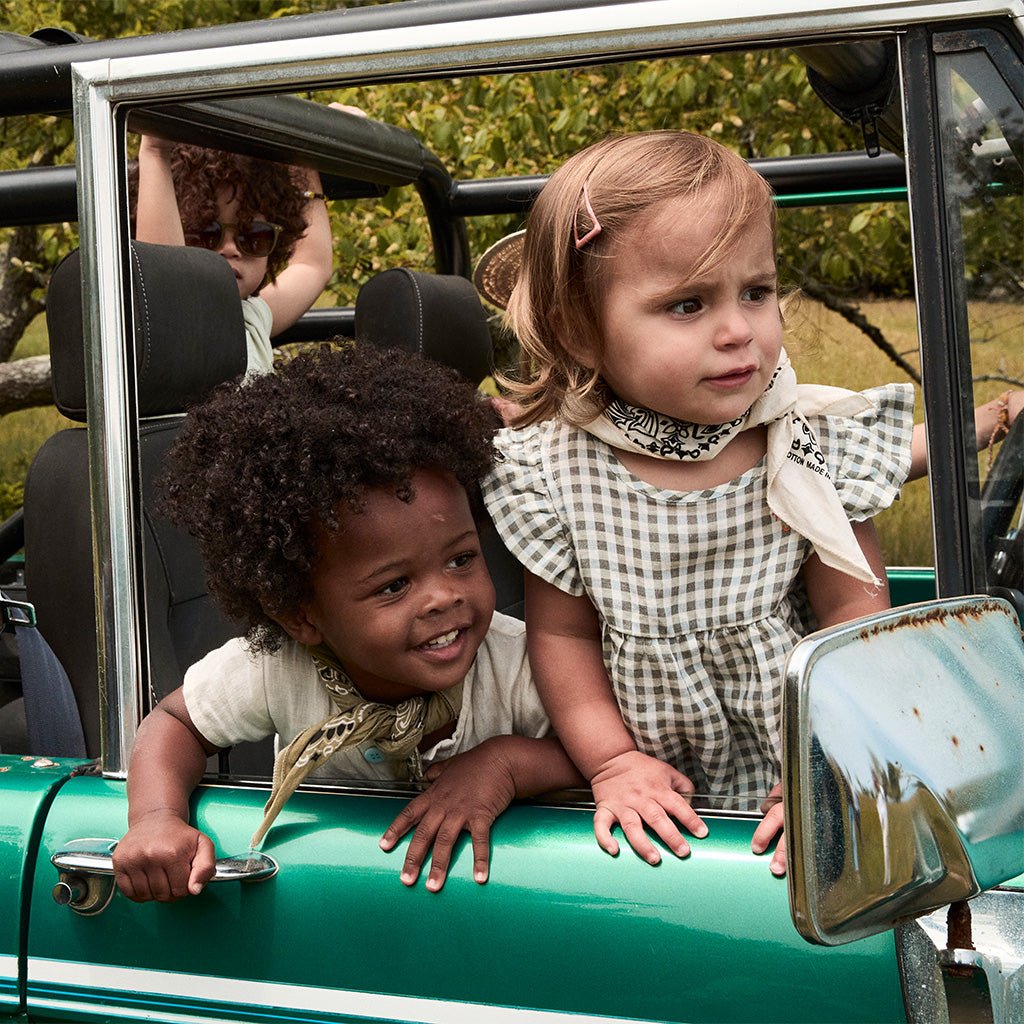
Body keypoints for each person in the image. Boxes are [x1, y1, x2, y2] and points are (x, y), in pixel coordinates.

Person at [478, 131, 918, 878]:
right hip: (649, 793)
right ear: (581, 331)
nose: (738, 330)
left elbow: (854, 616)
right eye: (688, 304)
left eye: (757, 291)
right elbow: (566, 640)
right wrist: (613, 763)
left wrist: (836, 754)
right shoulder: (554, 470)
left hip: (800, 762)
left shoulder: (803, 442)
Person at [111, 345, 581, 903]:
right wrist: (156, 816)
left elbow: (598, 752)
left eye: (461, 559)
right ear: (302, 615)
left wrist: (505, 765)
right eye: (393, 586)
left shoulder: (522, 664)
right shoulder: (279, 667)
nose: (443, 597)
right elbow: (175, 723)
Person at [134, 134, 334, 375]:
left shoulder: (251, 319)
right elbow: (164, 281)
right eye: (205, 234)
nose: (230, 248)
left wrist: (306, 156)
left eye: (254, 237)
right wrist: (155, 151)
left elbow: (312, 265)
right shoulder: (167, 323)